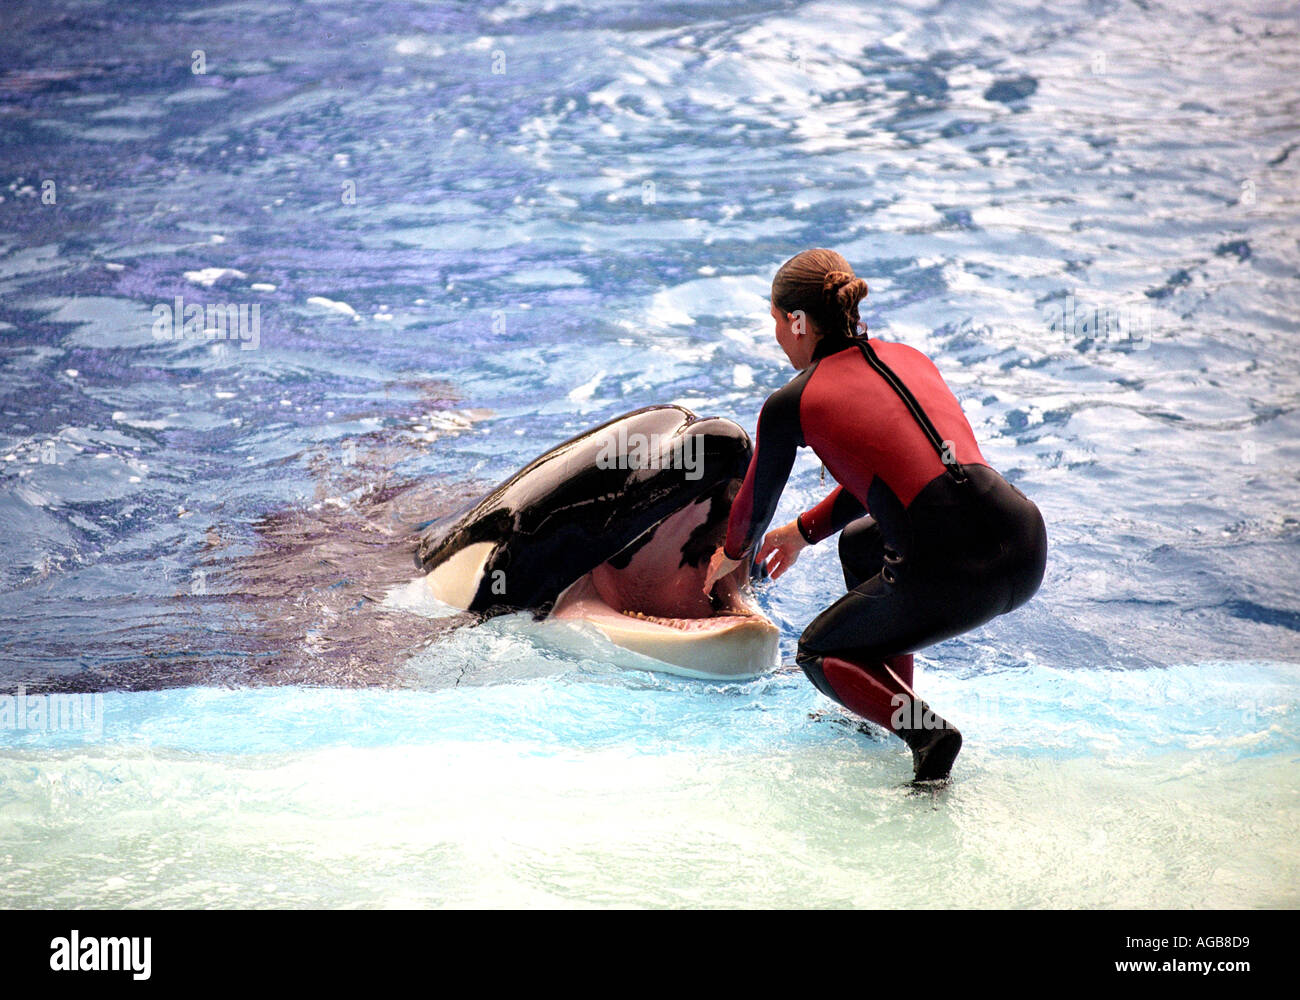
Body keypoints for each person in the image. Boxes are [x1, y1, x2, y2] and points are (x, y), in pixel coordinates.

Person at [703, 248, 1047, 783]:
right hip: (1023, 544)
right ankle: (890, 705)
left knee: (818, 650)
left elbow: (754, 504)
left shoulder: (791, 402)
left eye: (774, 321)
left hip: (953, 572)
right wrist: (802, 533)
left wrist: (730, 556)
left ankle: (924, 732)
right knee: (862, 545)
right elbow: (894, 478)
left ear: (797, 322)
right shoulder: (908, 357)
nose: (775, 336)